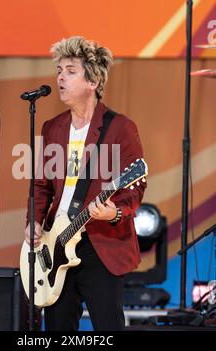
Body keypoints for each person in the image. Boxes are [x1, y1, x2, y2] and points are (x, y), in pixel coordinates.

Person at [24, 36, 146, 331]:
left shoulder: (121, 128)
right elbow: (41, 185)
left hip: (100, 243)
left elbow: (134, 187)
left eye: (70, 71)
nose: (60, 77)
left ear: (92, 82)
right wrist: (34, 221)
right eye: (59, 71)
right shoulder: (52, 127)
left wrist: (114, 213)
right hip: (56, 244)